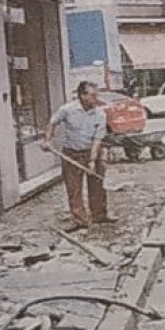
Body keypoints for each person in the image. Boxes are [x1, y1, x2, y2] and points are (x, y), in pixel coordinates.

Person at [43, 81, 118, 229]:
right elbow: (52, 123)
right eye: (93, 96)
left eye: (97, 95)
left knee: (97, 184)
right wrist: (47, 140)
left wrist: (92, 160)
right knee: (74, 188)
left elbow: (98, 139)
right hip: (71, 154)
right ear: (82, 95)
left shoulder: (100, 114)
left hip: (92, 152)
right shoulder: (67, 110)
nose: (96, 99)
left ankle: (99, 215)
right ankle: (80, 220)